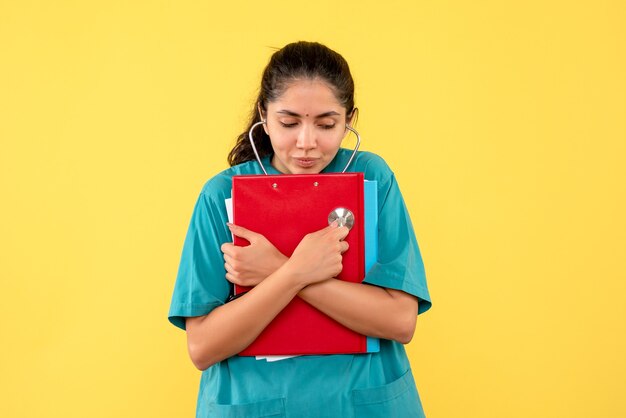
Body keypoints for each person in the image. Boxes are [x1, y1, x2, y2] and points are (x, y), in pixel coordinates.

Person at [168, 41, 432, 417]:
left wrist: (277, 266)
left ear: (349, 120)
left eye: (326, 125)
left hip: (363, 401)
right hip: (254, 403)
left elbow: (400, 321)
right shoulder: (220, 196)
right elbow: (203, 347)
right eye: (289, 123)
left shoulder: (373, 179)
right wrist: (296, 270)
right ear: (264, 113)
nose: (306, 143)